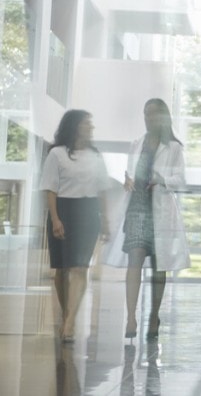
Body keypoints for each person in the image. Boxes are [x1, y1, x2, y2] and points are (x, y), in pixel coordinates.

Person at [121, 98, 190, 340]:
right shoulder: (136, 143)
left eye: (152, 114)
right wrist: (127, 179)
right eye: (145, 113)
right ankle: (131, 317)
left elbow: (180, 179)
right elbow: (129, 172)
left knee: (159, 268)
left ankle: (154, 315)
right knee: (134, 262)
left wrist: (161, 179)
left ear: (163, 117)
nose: (148, 118)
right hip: (137, 208)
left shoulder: (173, 147)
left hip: (160, 210)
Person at [40, 110, 110, 343]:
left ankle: (69, 324)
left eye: (91, 124)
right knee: (61, 270)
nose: (90, 127)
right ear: (74, 126)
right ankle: (67, 312)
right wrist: (55, 218)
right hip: (63, 209)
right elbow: (50, 188)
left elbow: (102, 190)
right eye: (86, 124)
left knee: (80, 267)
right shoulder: (57, 154)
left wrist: (106, 221)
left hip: (88, 212)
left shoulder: (96, 156)